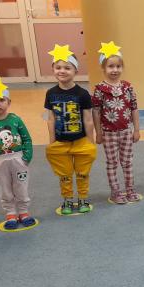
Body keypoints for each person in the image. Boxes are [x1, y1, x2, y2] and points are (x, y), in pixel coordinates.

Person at [44, 48, 97, 214]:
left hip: (81, 141)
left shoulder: (83, 94)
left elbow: (88, 119)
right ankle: (67, 200)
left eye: (67, 68)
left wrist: (91, 141)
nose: (62, 71)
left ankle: (82, 198)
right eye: (58, 67)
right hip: (60, 142)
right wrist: (52, 142)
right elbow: (51, 118)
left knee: (82, 172)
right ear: (53, 69)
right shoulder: (51, 93)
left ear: (75, 71)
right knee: (64, 174)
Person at [0, 79, 35, 229]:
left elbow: (26, 138)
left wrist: (26, 157)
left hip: (18, 159)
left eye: (2, 100)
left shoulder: (15, 120)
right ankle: (11, 213)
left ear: (8, 102)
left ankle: (23, 211)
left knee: (21, 186)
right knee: (5, 188)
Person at [92, 44, 140, 203]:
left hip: (126, 131)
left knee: (127, 162)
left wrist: (136, 130)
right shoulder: (100, 89)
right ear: (103, 68)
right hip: (108, 133)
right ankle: (115, 192)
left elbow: (134, 109)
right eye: (110, 66)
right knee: (112, 163)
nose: (115, 70)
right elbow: (96, 112)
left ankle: (130, 190)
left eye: (118, 66)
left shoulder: (128, 87)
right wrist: (98, 133)